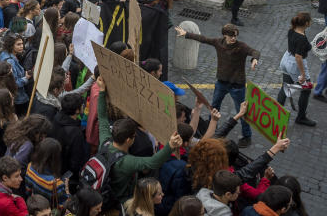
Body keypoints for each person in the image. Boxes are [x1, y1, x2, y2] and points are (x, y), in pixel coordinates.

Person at [95, 77, 181, 209]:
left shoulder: (105, 142)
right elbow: (153, 162)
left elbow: (102, 117)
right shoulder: (126, 162)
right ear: (129, 140)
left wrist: (102, 91)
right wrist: (170, 146)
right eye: (134, 136)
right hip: (120, 204)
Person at [175, 24, 260, 147]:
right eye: (231, 36)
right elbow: (203, 39)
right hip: (221, 82)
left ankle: (247, 136)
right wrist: (186, 34)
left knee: (241, 111)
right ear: (225, 35)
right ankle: (213, 130)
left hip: (237, 85)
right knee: (214, 107)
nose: (234, 38)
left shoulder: (241, 47)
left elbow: (254, 52)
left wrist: (254, 59)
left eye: (236, 36)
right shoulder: (218, 42)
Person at [275, 12, 315, 126]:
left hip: (286, 59)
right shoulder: (301, 38)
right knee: (306, 89)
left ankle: (276, 114)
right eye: (310, 20)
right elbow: (298, 57)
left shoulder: (291, 30)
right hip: (294, 64)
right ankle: (301, 117)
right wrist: (302, 74)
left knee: (285, 86)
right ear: (307, 23)